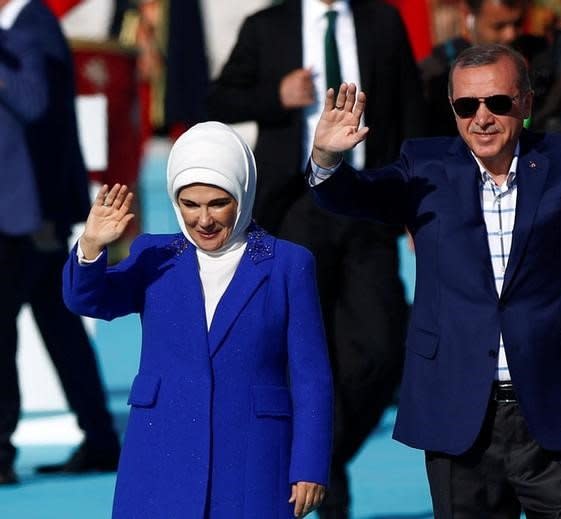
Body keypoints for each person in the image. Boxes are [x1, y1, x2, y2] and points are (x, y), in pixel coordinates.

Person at [308, 44, 561, 517]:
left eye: (498, 103)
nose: (481, 118)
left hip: (557, 408)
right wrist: (326, 158)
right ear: (453, 109)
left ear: (525, 103)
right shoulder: (424, 167)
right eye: (467, 106)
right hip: (460, 413)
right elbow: (350, 197)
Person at [207, 1, 424, 516]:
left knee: (382, 347)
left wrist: (418, 202)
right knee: (302, 350)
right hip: (293, 206)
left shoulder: (381, 21)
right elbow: (212, 97)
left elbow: (410, 109)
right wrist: (275, 96)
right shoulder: (267, 26)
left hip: (367, 200)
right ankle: (321, 477)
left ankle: (317, 462)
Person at [62, 121, 333, 518]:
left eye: (217, 203)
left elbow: (312, 376)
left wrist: (309, 466)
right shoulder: (153, 257)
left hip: (252, 458)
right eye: (190, 204)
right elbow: (87, 299)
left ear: (243, 193)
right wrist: (90, 246)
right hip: (159, 455)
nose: (203, 220)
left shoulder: (289, 265)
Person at [0, 0, 120, 485]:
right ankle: (100, 439)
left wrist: (47, 215)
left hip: (28, 216)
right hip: (23, 210)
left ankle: (1, 452)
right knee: (60, 326)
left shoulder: (31, 24)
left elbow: (34, 103)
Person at [420, 0, 527, 136]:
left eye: (518, 24)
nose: (510, 35)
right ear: (468, 14)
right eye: (498, 26)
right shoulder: (435, 75)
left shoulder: (537, 58)